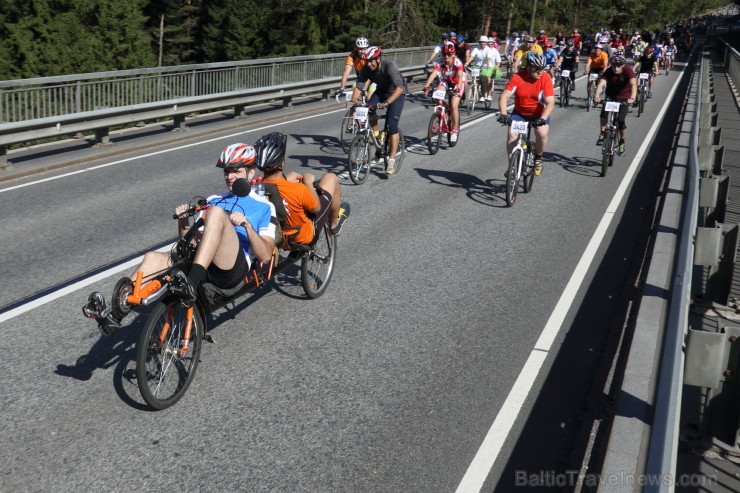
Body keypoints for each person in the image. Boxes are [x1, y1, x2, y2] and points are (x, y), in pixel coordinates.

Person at [83, 143, 277, 333]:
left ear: (251, 172)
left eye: (236, 171)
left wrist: (247, 226)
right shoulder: (213, 199)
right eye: (226, 171)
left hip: (230, 269)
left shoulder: (263, 206)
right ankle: (114, 314)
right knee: (152, 257)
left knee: (216, 213)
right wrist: (184, 223)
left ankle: (190, 284)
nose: (230, 176)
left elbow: (266, 255)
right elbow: (190, 239)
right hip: (202, 261)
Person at [257, 132, 349, 245]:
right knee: (331, 178)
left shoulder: (258, 188)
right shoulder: (298, 189)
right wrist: (308, 182)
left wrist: (286, 180)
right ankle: (334, 224)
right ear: (282, 164)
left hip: (280, 239)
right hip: (304, 237)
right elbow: (316, 208)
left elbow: (278, 191)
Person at [497, 51, 555, 176]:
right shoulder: (517, 77)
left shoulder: (545, 78)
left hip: (539, 114)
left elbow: (550, 102)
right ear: (528, 67)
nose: (539, 72)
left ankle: (538, 158)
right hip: (520, 113)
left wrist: (542, 118)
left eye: (542, 69)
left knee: (541, 133)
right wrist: (503, 114)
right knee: (512, 135)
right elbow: (504, 97)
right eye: (536, 69)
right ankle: (512, 166)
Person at [352, 46, 406, 174]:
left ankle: (391, 160)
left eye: (372, 61)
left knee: (392, 125)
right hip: (381, 92)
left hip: (396, 93)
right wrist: (352, 102)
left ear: (378, 59)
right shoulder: (366, 68)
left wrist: (387, 103)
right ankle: (376, 135)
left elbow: (400, 88)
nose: (369, 64)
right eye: (367, 61)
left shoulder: (389, 66)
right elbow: (359, 86)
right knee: (368, 109)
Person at [594, 54, 637, 157]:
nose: (615, 68)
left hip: (624, 97)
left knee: (621, 121)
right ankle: (602, 133)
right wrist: (596, 95)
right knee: (604, 114)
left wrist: (633, 97)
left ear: (623, 65)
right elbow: (601, 83)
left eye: (618, 66)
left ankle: (622, 142)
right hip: (611, 96)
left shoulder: (628, 70)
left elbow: (633, 85)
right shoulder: (609, 71)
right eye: (613, 65)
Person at [424, 42, 465, 143]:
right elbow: (433, 74)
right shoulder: (440, 62)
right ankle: (445, 110)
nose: (446, 57)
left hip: (457, 82)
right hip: (446, 81)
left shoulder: (457, 63)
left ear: (453, 54)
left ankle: (455, 130)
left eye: (449, 54)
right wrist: (426, 86)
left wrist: (458, 87)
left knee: (454, 106)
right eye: (444, 54)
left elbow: (460, 77)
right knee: (436, 96)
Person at [466, 36, 494, 102]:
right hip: (476, 66)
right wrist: (466, 63)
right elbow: (472, 57)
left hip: (485, 66)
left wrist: (487, 64)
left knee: (483, 78)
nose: (482, 43)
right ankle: (473, 94)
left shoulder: (488, 50)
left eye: (484, 42)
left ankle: (483, 95)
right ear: (479, 42)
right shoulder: (476, 49)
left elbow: (488, 58)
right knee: (474, 80)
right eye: (481, 42)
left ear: (486, 43)